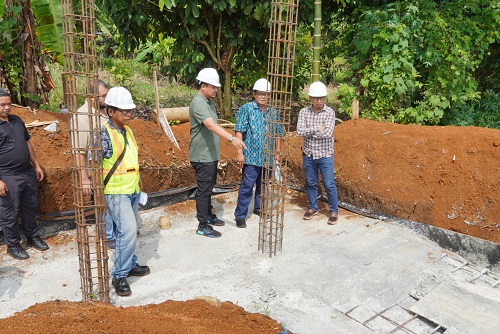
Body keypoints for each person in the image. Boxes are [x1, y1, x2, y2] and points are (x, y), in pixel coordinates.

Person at [96, 87, 150, 296]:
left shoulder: (128, 130)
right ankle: (119, 275)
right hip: (116, 192)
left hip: (132, 190)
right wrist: (96, 192)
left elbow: (133, 161)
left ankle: (130, 263)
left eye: (130, 111)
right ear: (111, 111)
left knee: (128, 231)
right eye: (124, 111)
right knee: (127, 232)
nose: (129, 114)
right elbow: (94, 163)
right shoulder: (103, 133)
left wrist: (140, 185)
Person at [189, 68, 246, 238]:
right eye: (213, 87)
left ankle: (208, 216)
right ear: (203, 86)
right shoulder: (198, 103)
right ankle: (202, 225)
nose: (215, 90)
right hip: (202, 155)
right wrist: (231, 139)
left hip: (210, 155)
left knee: (209, 188)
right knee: (204, 191)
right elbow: (211, 125)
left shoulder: (208, 101)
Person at [0, 88, 49, 259]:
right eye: (2, 105)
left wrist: (36, 165)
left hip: (26, 172)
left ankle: (32, 236)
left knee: (30, 207)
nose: (7, 108)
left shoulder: (17, 120)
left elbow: (27, 143)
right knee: (10, 211)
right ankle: (13, 245)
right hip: (7, 175)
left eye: (8, 104)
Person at [233, 79, 283, 228]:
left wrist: (277, 152)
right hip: (251, 157)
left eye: (266, 94)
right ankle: (240, 215)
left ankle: (258, 208)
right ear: (254, 94)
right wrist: (239, 152)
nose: (263, 96)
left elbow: (278, 134)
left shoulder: (273, 112)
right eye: (260, 93)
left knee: (263, 186)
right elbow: (239, 131)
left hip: (267, 157)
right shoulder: (246, 109)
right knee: (247, 186)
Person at [75, 80, 116, 248]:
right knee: (102, 203)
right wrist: (85, 178)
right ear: (91, 96)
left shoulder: (104, 112)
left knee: (112, 202)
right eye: (103, 96)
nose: (106, 98)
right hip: (96, 171)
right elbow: (79, 151)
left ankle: (114, 232)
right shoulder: (83, 116)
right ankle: (107, 236)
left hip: (111, 171)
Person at [296, 82, 339, 224]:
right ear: (310, 98)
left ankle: (334, 211)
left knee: (328, 183)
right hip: (309, 154)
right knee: (311, 182)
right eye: (316, 98)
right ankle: (312, 207)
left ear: (325, 98)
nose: (319, 101)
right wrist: (317, 127)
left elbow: (327, 133)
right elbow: (299, 131)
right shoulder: (304, 112)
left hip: (325, 154)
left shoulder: (330, 113)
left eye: (321, 98)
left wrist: (310, 130)